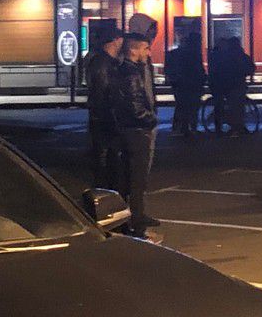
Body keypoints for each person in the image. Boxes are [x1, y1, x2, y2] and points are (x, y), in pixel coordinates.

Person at [111, 32, 161, 238]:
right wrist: (149, 119)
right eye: (145, 48)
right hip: (137, 131)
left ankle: (132, 215)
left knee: (130, 176)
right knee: (137, 177)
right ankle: (135, 217)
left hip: (129, 129)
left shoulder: (128, 70)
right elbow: (135, 104)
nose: (148, 53)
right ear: (134, 49)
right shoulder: (131, 74)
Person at [85, 26, 123, 191]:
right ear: (115, 40)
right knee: (105, 154)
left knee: (107, 154)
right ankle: (104, 187)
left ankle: (107, 184)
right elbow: (103, 92)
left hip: (104, 116)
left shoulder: (104, 61)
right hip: (105, 117)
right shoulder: (103, 63)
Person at [210, 37, 256, 136]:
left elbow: (220, 70)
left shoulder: (225, 56)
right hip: (239, 83)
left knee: (231, 106)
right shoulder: (241, 55)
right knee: (238, 106)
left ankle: (231, 126)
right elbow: (251, 67)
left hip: (228, 84)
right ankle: (238, 126)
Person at [165, 30, 207, 136]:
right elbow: (198, 69)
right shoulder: (193, 53)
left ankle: (181, 127)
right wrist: (202, 79)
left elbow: (169, 68)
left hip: (180, 84)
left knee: (181, 106)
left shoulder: (175, 53)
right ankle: (190, 127)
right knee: (192, 106)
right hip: (192, 84)